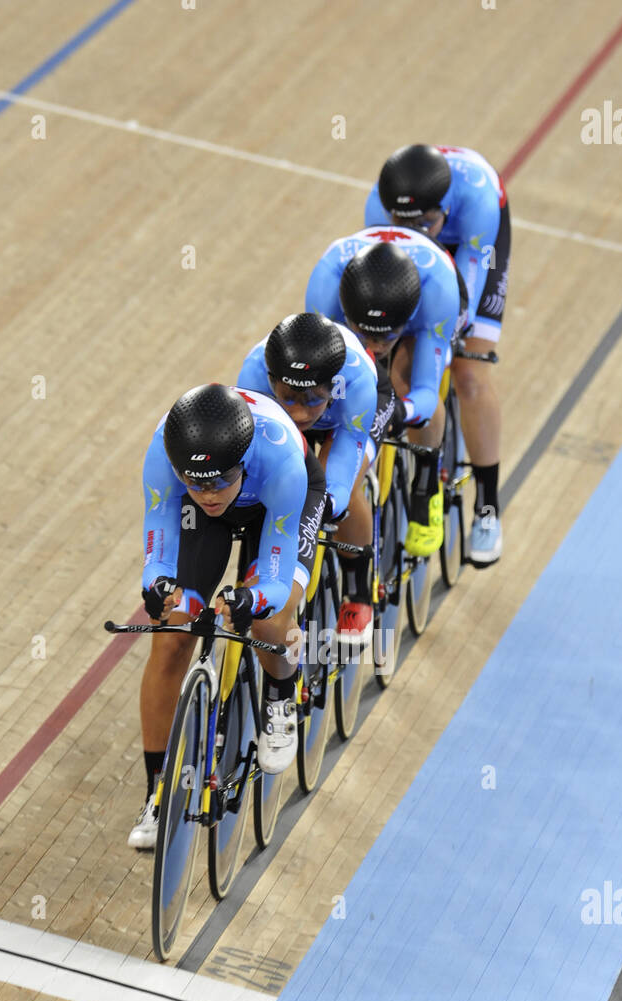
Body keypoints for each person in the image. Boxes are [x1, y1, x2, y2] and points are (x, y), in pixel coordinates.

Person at [129, 382, 325, 849]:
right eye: (195, 483)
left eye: (218, 482)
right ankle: (158, 792)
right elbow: (159, 543)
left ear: (242, 463)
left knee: (267, 621)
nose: (207, 493)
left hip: (274, 510)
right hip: (208, 526)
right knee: (173, 633)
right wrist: (157, 588)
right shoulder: (163, 457)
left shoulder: (279, 464)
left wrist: (250, 601)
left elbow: (275, 585)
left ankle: (280, 693)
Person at [365, 143, 510, 565]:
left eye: (426, 222)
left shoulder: (476, 202)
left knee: (468, 373)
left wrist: (443, 334)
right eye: (406, 222)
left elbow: (464, 295)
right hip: (411, 258)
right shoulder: (378, 205)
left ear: (443, 206)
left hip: (474, 243)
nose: (419, 230)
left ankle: (487, 507)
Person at [238, 311, 394, 645]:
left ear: (332, 386)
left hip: (346, 418)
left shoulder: (354, 381)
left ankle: (358, 591)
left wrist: (326, 503)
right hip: (290, 428)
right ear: (270, 379)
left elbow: (345, 451)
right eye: (289, 397)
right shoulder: (253, 375)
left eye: (311, 400)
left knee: (344, 491)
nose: (299, 412)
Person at [306, 230, 461, 557]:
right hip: (356, 294)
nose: (374, 348)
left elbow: (426, 392)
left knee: (408, 381)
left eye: (384, 338)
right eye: (363, 335)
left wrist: (401, 411)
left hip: (434, 296)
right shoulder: (327, 283)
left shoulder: (436, 295)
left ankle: (427, 486)